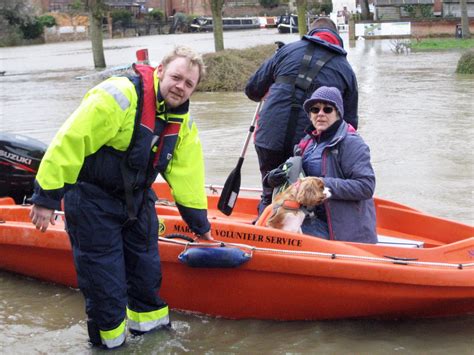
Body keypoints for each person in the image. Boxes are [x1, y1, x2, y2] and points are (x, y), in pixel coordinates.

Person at [29, 46, 213, 349]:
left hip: (138, 203)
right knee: (106, 288)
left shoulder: (183, 123)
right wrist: (46, 198)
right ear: (161, 70)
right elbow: (71, 141)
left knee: (147, 281)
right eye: (177, 77)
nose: (181, 87)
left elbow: (188, 176)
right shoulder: (120, 96)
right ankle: (109, 346)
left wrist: (200, 225)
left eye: (189, 84)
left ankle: (154, 342)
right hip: (92, 201)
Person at [245, 17, 359, 215]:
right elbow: (349, 125)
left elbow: (252, 90)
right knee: (305, 196)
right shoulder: (345, 68)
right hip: (309, 147)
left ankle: (264, 221)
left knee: (270, 188)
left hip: (268, 138)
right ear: (337, 38)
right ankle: (304, 230)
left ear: (310, 33)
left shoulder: (286, 51)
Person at [265, 86, 377, 244]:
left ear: (338, 113)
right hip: (308, 217)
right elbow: (294, 175)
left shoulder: (352, 143)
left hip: (339, 231)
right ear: (310, 115)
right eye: (315, 109)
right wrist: (272, 179)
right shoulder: (308, 142)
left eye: (328, 109)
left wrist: (320, 184)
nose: (320, 114)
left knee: (272, 238)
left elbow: (366, 186)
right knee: (264, 225)